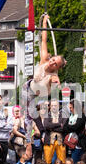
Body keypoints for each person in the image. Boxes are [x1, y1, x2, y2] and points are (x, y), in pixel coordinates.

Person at [21, 14, 67, 142]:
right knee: (29, 114)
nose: (52, 63)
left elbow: (57, 85)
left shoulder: (54, 75)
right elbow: (44, 39)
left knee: (36, 109)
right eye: (52, 60)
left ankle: (40, 131)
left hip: (41, 93)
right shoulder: (44, 60)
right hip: (29, 89)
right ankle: (32, 136)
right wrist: (45, 23)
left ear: (57, 67)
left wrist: (57, 84)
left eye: (55, 64)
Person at [63, 99, 86, 163]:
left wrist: (69, 126)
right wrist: (71, 126)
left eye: (71, 107)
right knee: (69, 162)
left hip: (79, 144)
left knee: (75, 162)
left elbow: (76, 127)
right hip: (69, 143)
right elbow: (64, 128)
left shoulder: (82, 116)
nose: (70, 109)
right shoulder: (70, 117)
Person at [43, 100, 67, 164]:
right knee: (47, 161)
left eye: (55, 105)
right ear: (50, 107)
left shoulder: (63, 115)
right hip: (49, 140)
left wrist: (52, 128)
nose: (53, 107)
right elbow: (46, 126)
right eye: (52, 105)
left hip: (61, 140)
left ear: (58, 106)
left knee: (62, 161)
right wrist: (59, 124)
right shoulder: (47, 115)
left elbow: (64, 128)